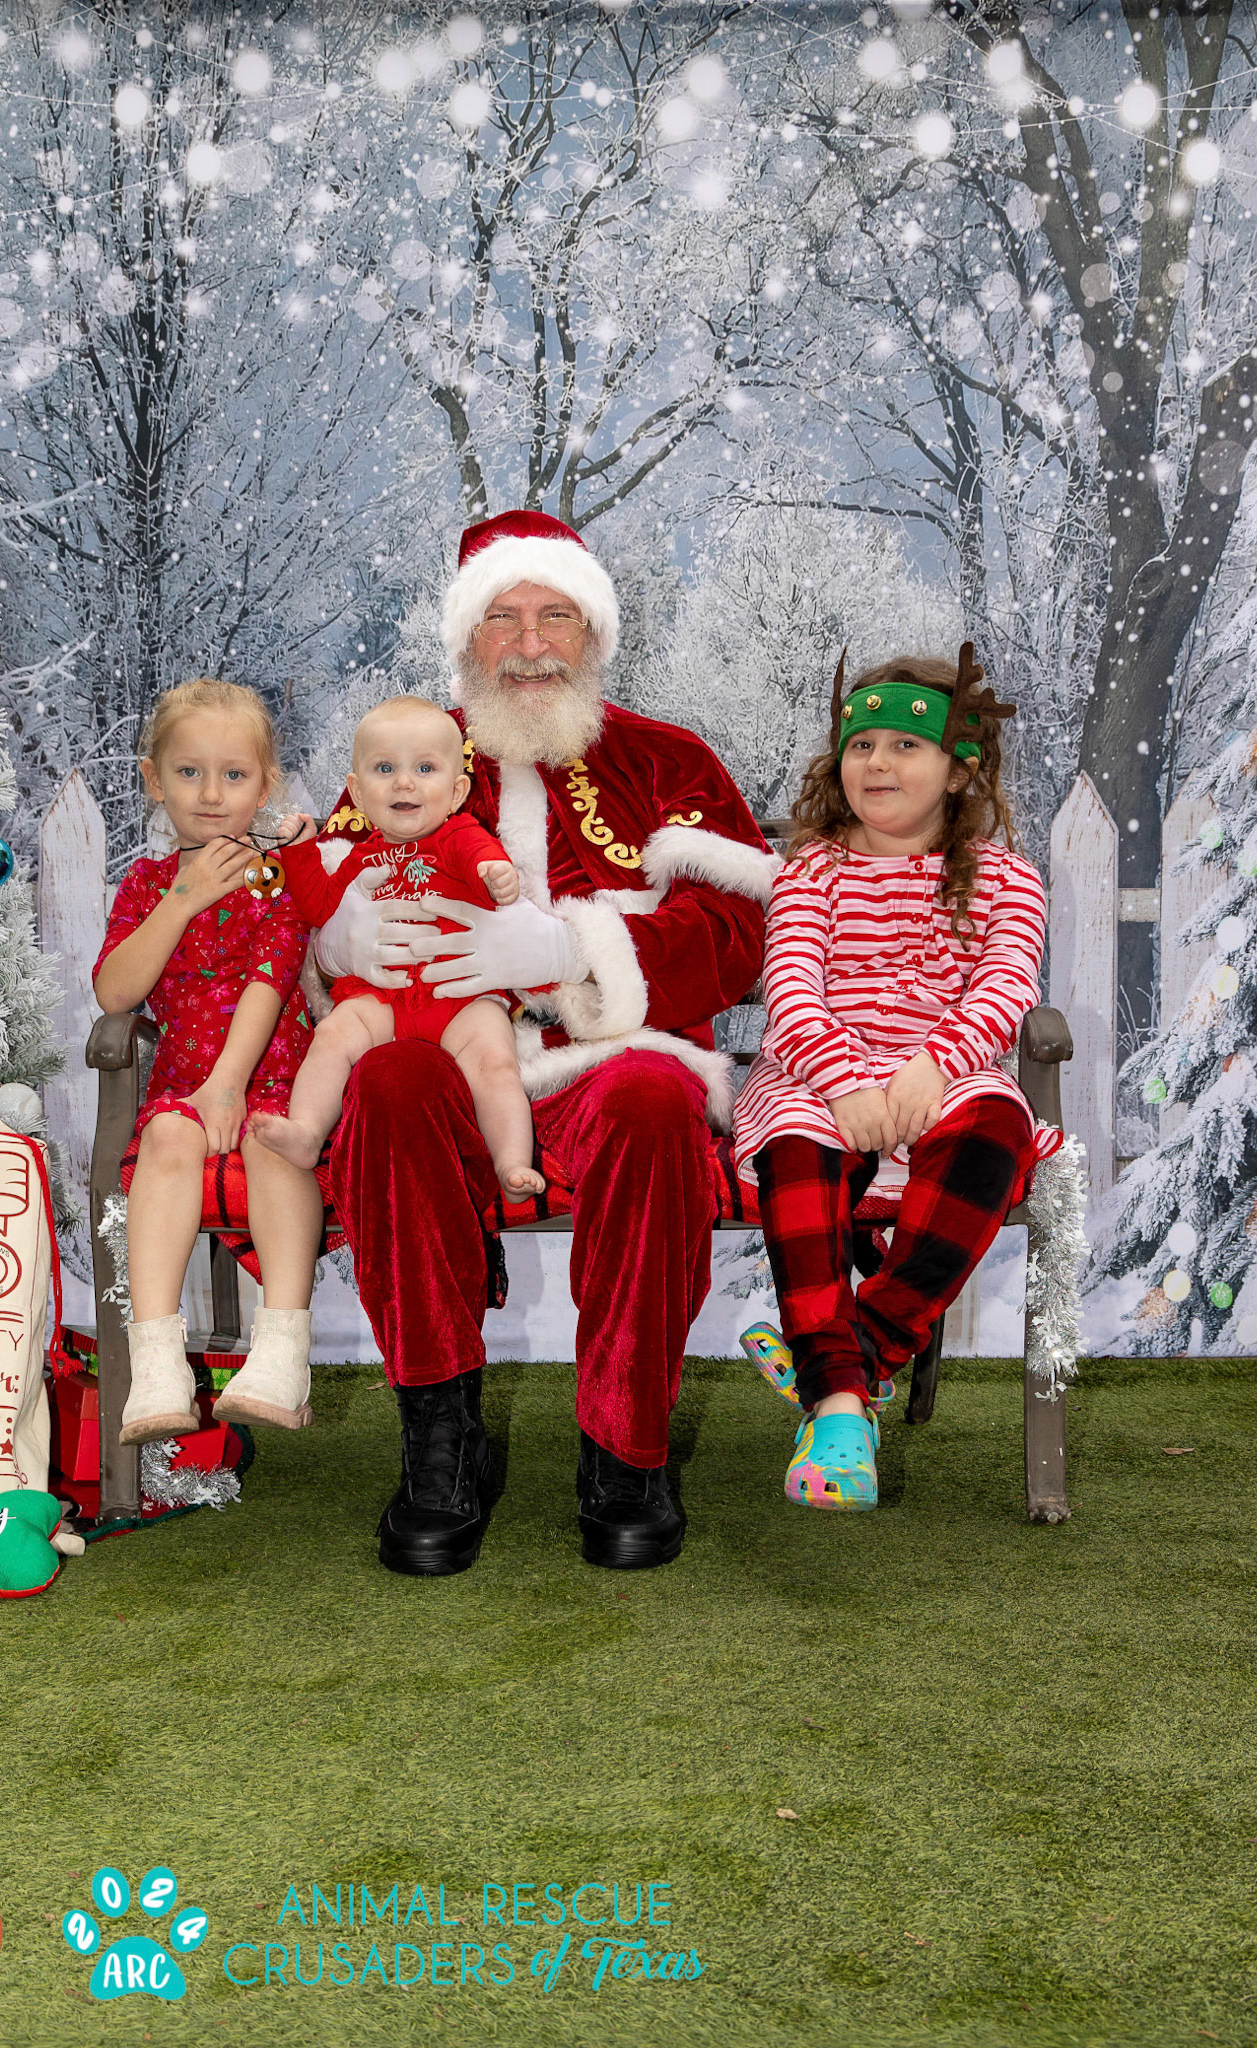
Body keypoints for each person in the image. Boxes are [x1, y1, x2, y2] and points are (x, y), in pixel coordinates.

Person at [309, 510, 777, 1577]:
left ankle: (626, 1451)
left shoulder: (669, 760)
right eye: (501, 619)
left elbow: (741, 927)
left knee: (653, 1100)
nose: (529, 645)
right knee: (387, 1082)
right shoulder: (406, 753)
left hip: (612, 1061)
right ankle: (441, 1445)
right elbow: (325, 894)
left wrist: (572, 948)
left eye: (554, 616)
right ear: (465, 638)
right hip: (442, 1054)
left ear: (593, 632)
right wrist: (347, 937)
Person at [731, 646, 1062, 1512]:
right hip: (817, 1074)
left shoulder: (1006, 878)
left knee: (994, 1128)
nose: (877, 762)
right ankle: (845, 1416)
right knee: (798, 1144)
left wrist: (933, 1065)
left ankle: (852, 1354)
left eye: (905, 746)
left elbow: (1006, 986)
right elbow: (792, 991)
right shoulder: (812, 872)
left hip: (940, 1069)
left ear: (959, 770)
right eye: (862, 744)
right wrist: (844, 1083)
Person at [92, 679, 323, 1442]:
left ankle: (282, 1353)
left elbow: (270, 979)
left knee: (271, 1138)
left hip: (276, 1080)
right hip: (184, 1088)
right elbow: (115, 990)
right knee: (165, 1132)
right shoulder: (148, 884)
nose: (212, 794)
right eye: (189, 772)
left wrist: (230, 1085)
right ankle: (157, 1361)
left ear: (266, 783)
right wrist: (182, 899)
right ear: (154, 780)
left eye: (235, 774)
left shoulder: (280, 876)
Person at [248, 695, 545, 1198]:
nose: (404, 783)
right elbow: (321, 909)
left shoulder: (460, 836)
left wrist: (496, 874)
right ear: (357, 793)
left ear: (456, 792)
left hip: (459, 997)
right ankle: (306, 1131)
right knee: (334, 1035)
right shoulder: (362, 857)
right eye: (385, 769)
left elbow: (481, 861)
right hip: (380, 997)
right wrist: (299, 853)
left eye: (424, 769)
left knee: (495, 1062)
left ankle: (511, 1161)